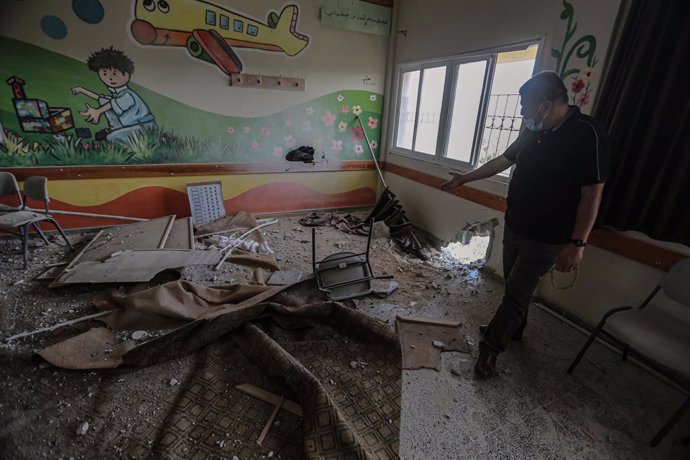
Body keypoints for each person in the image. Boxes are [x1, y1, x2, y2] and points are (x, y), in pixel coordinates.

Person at [441, 71, 609, 379]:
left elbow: (591, 196)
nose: (521, 111)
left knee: (516, 294)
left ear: (546, 103)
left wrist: (577, 244)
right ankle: (514, 330)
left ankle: (489, 350)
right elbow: (503, 161)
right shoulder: (535, 129)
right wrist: (464, 179)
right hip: (516, 225)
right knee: (515, 289)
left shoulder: (587, 133)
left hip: (548, 237)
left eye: (525, 104)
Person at [71, 47, 157, 143]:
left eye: (114, 73)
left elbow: (112, 103)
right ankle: (114, 129)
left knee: (111, 138)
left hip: (145, 127)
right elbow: (101, 98)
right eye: (104, 74)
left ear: (127, 74)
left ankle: (114, 132)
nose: (110, 78)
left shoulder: (128, 95)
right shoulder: (117, 94)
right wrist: (81, 90)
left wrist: (98, 112)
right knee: (104, 101)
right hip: (130, 125)